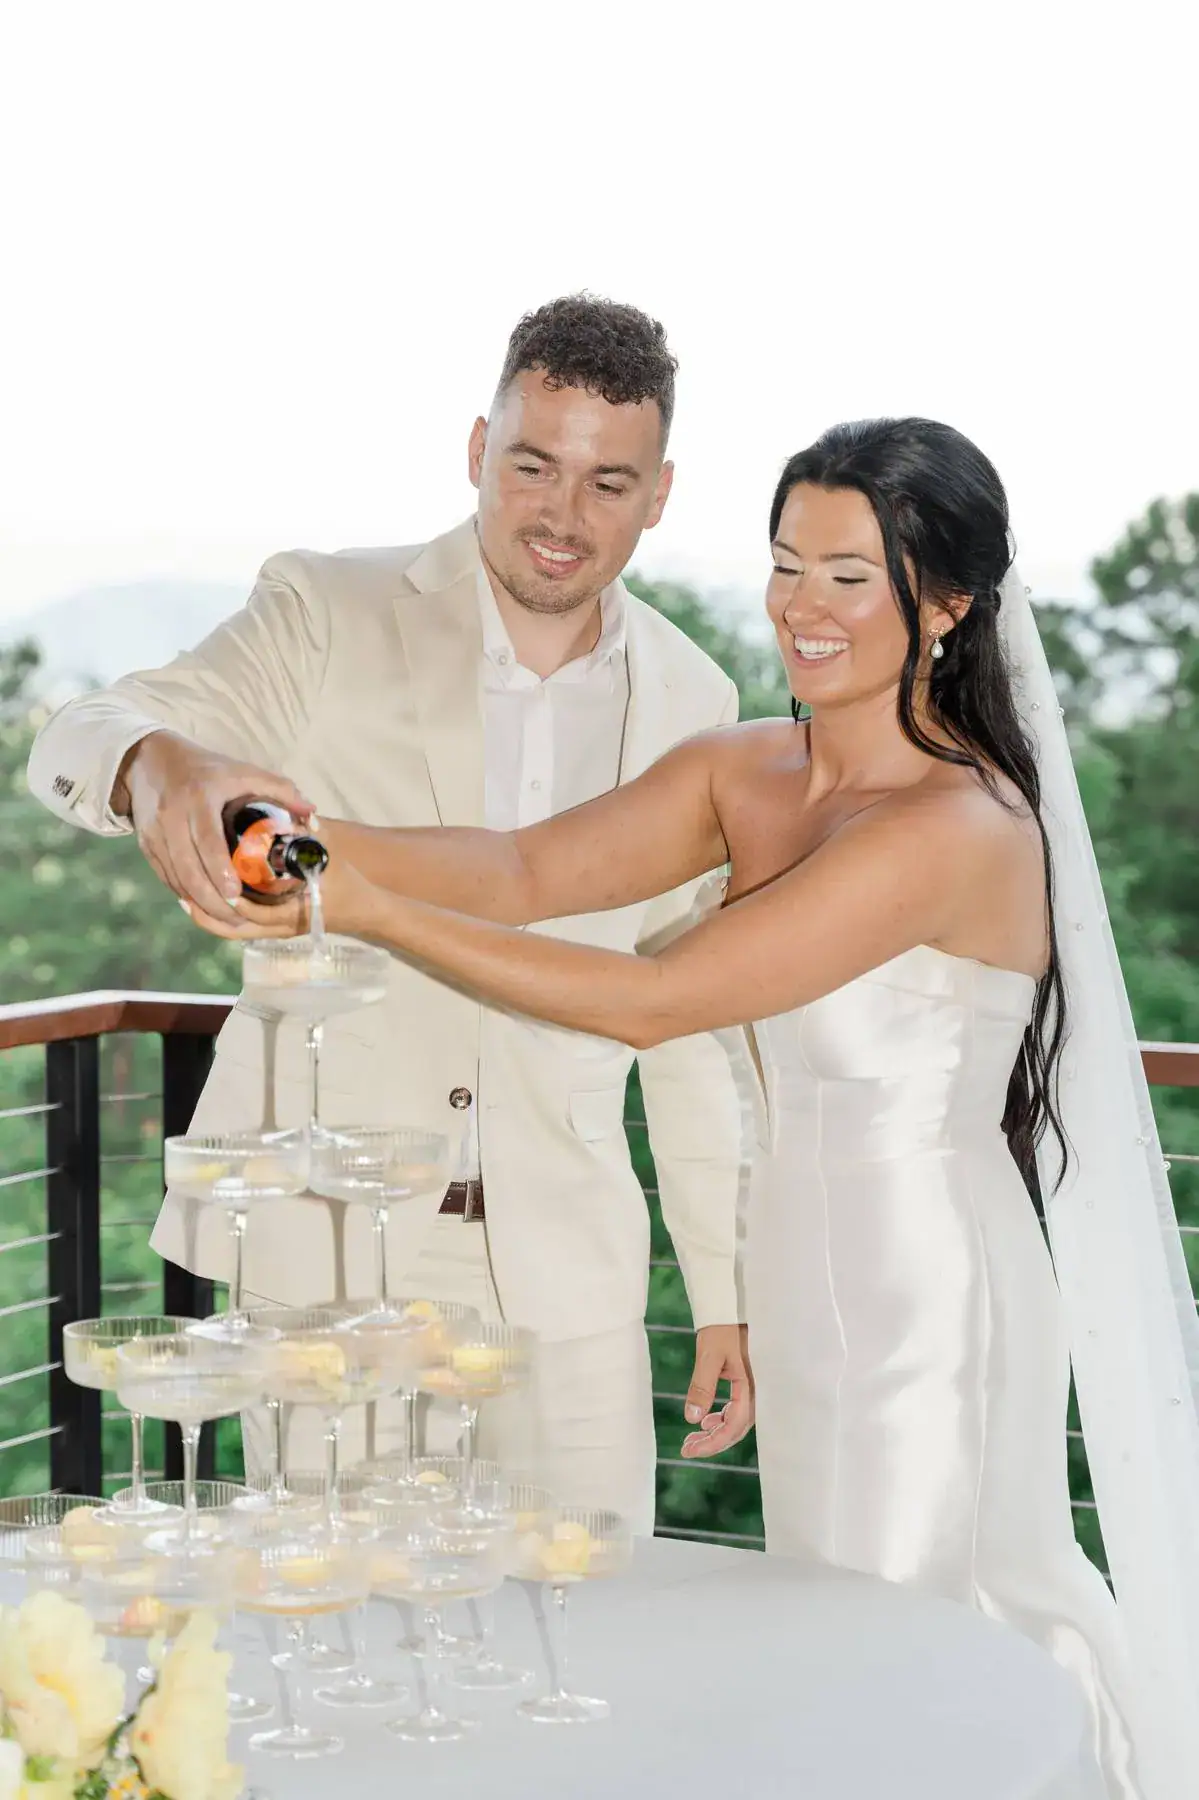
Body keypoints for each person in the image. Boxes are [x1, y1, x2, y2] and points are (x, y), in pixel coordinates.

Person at [186, 415, 1199, 1800]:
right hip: (802, 1261)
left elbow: (656, 1004)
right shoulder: (746, 771)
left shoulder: (954, 828)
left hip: (925, 1287)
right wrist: (294, 834)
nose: (801, 607)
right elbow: (521, 865)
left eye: (851, 576)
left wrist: (349, 905)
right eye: (787, 564)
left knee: (922, 1614)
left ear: (946, 605)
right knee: (825, 1610)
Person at [25, 295, 754, 1532]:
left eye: (605, 481)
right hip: (328, 1251)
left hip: (567, 1271)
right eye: (532, 464)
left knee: (585, 1625)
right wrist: (164, 764)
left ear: (659, 493)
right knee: (333, 1635)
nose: (561, 515)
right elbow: (79, 730)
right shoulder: (323, 609)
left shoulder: (696, 698)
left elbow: (692, 1019)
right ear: (477, 449)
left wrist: (725, 1285)